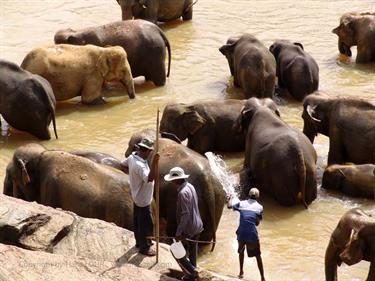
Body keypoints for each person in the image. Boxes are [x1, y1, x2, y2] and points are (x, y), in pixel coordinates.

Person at [121, 137, 159, 256]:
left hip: (136, 196)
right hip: (143, 199)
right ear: (145, 151)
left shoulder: (132, 157)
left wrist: (133, 178)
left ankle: (139, 242)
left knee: (137, 221)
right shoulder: (140, 166)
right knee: (146, 224)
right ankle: (145, 247)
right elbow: (150, 178)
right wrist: (155, 163)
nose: (150, 154)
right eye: (149, 152)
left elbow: (122, 165)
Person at [164, 166, 203, 281]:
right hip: (198, 225)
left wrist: (179, 233)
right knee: (193, 250)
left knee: (175, 250)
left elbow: (185, 214)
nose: (171, 181)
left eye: (172, 179)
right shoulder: (190, 186)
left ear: (177, 180)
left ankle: (192, 271)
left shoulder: (182, 193)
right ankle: (192, 274)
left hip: (189, 228)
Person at [227, 188, 266, 281]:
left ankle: (241, 272)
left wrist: (230, 198)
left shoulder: (241, 203)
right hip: (251, 234)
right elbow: (257, 223)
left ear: (248, 195)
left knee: (241, 251)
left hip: (241, 233)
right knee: (258, 255)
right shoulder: (260, 207)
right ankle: (262, 278)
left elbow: (229, 206)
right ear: (258, 196)